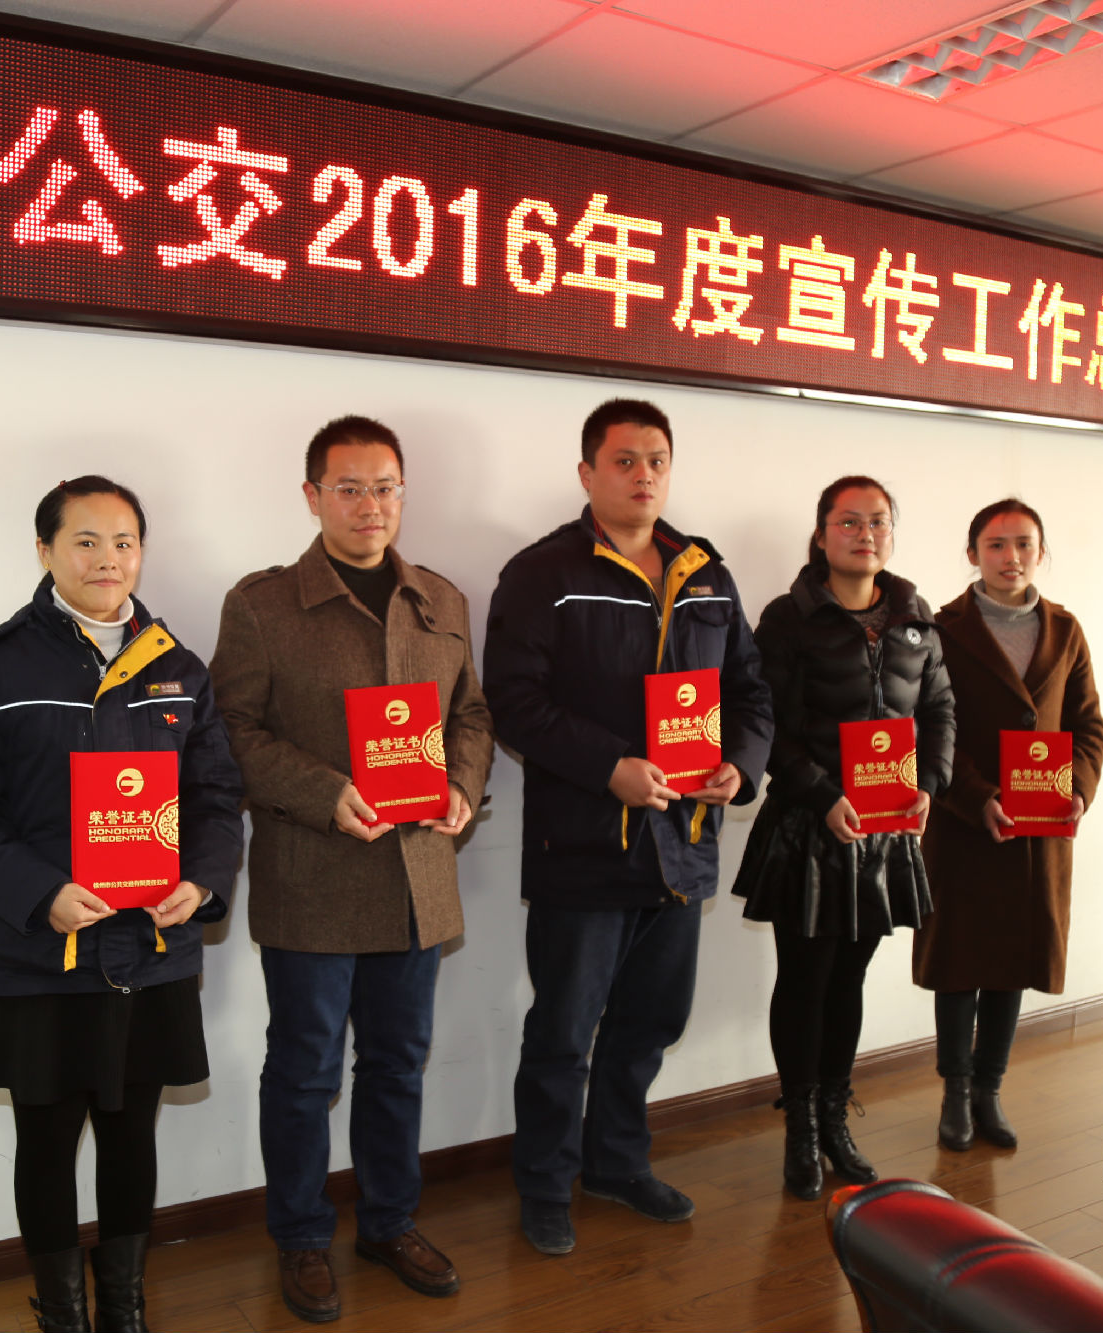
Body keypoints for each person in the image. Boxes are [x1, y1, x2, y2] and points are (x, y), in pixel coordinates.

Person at [0, 476, 245, 1333]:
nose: (109, 558)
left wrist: (202, 880)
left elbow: (216, 796)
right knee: (47, 1140)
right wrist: (41, 894)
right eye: (87, 541)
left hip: (151, 949)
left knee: (132, 1133)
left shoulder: (179, 667)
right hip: (42, 952)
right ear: (45, 550)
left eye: (125, 541)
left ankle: (125, 1309)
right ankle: (64, 1314)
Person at [208, 416, 493, 1325]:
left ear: (403, 493)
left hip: (416, 877)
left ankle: (389, 1222)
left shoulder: (440, 598)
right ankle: (300, 1236)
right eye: (350, 488)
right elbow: (230, 731)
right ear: (312, 496)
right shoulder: (262, 604)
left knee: (398, 1064)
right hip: (313, 875)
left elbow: (471, 714)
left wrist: (462, 785)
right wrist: (325, 791)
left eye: (385, 487)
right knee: (304, 1071)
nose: (371, 505)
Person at [484, 398, 774, 1257]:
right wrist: (609, 763)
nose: (643, 475)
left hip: (681, 844)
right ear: (587, 473)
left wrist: (740, 765)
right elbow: (514, 700)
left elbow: (750, 693)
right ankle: (545, 1184)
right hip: (583, 845)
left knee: (649, 1022)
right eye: (623, 460)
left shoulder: (706, 573)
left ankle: (616, 1162)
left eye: (656, 460)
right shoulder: (542, 572)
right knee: (563, 1033)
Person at [731, 475, 953, 1201]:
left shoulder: (916, 616)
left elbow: (940, 709)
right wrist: (824, 796)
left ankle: (833, 1117)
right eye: (850, 522)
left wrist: (930, 783)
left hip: (886, 833)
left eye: (878, 521)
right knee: (806, 979)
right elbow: (768, 723)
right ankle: (799, 1127)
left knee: (849, 978)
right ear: (822, 532)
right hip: (810, 827)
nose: (866, 534)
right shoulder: (788, 617)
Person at [914, 499, 1103, 1151]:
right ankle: (954, 1094)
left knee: (1011, 963)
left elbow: (1088, 726)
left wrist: (1077, 790)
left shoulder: (1066, 629)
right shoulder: (942, 628)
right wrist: (976, 797)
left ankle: (988, 1091)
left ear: (1041, 553)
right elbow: (927, 728)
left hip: (1038, 829)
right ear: (973, 553)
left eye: (1024, 543)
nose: (1011, 557)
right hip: (966, 823)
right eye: (996, 545)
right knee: (958, 963)